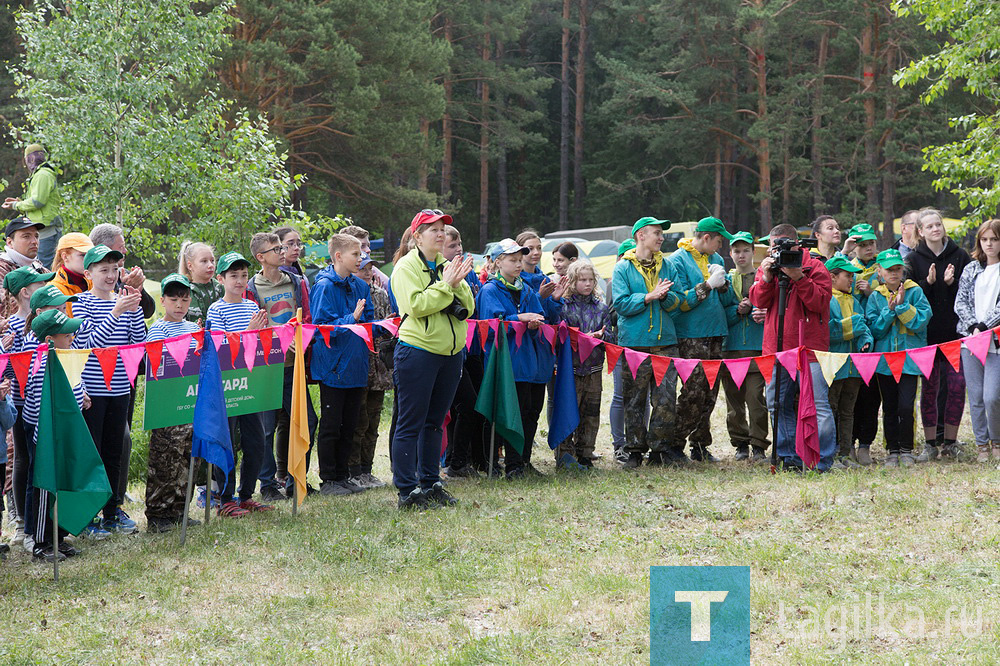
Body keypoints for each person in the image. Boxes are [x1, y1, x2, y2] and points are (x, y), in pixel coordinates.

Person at [392, 209, 474, 507]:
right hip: (418, 352)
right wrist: (446, 285)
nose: (440, 234)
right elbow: (414, 306)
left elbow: (469, 305)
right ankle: (407, 491)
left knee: (435, 423)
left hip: (450, 354)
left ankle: (430, 483)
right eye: (432, 229)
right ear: (417, 236)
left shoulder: (445, 264)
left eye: (442, 229)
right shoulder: (405, 268)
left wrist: (452, 281)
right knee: (410, 423)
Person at [749, 224, 837, 472]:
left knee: (819, 405)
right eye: (774, 246)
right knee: (777, 404)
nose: (779, 251)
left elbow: (821, 303)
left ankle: (823, 459)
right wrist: (766, 278)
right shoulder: (769, 267)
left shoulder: (816, 266)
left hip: (810, 349)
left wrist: (799, 277)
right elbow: (758, 301)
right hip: (776, 349)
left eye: (785, 245)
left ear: (798, 243)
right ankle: (789, 457)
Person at [75, 245, 146, 534]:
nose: (110, 275)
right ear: (88, 273)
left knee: (114, 451)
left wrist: (135, 309)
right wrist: (116, 312)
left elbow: (137, 342)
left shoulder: (124, 300)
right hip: (92, 391)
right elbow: (87, 344)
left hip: (120, 388)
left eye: (114, 269)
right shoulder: (80, 302)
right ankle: (88, 516)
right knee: (92, 452)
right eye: (103, 269)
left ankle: (112, 511)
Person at [477, 238, 560, 479]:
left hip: (531, 365)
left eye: (519, 260)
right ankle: (501, 465)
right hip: (506, 365)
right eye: (512, 260)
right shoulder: (490, 290)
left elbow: (540, 316)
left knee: (530, 412)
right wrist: (518, 318)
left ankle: (522, 462)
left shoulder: (525, 288)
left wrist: (535, 324)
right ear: (499, 262)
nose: (517, 264)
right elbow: (490, 327)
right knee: (507, 413)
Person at [244, 232, 314, 502]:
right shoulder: (252, 288)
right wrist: (281, 341)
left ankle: (296, 478)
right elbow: (254, 330)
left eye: (282, 247)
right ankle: (268, 483)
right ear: (261, 257)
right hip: (266, 367)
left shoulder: (296, 282)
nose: (282, 251)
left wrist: (301, 340)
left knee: (307, 420)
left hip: (292, 367)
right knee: (265, 428)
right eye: (276, 249)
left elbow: (307, 318)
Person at [205, 251, 273, 515]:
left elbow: (261, 347)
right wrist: (248, 333)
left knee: (256, 442)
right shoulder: (216, 309)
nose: (240, 280)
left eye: (244, 275)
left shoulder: (251, 308)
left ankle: (246, 495)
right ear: (221, 278)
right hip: (226, 388)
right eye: (233, 275)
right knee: (227, 443)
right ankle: (225, 499)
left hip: (250, 387)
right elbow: (219, 350)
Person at [612, 217, 684, 467]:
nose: (662, 237)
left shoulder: (669, 266)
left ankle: (658, 450)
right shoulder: (623, 268)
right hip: (635, 345)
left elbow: (678, 301)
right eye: (657, 233)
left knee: (665, 400)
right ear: (640, 235)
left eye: (662, 233)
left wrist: (664, 297)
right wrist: (649, 296)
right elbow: (620, 305)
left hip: (666, 344)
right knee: (634, 400)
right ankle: (634, 450)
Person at [905, 208, 971, 461]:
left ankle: (951, 442)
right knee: (930, 390)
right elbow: (908, 296)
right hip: (926, 337)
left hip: (955, 334)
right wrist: (928, 284)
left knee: (956, 387)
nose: (935, 229)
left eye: (938, 225)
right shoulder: (913, 259)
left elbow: (968, 296)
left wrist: (951, 283)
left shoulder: (960, 255)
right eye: (929, 226)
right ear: (920, 231)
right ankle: (931, 444)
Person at [310, 234, 373, 497]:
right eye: (355, 255)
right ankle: (328, 479)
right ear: (338, 256)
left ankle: (344, 475)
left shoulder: (360, 286)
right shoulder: (324, 286)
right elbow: (321, 328)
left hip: (357, 365)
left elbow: (368, 322)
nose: (361, 259)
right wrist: (351, 318)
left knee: (351, 423)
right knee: (332, 424)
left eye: (361, 255)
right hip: (333, 367)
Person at [668, 216, 735, 462]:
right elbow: (681, 303)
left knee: (710, 393)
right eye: (719, 241)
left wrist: (724, 285)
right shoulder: (677, 261)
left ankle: (699, 445)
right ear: (706, 238)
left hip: (717, 332)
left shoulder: (715, 259)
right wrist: (707, 285)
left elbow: (725, 301)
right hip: (692, 335)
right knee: (693, 392)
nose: (721, 247)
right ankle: (673, 445)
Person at [23, 310, 86, 562]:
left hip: (67, 435)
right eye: (66, 333)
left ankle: (58, 537)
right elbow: (42, 407)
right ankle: (41, 542)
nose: (72, 336)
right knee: (46, 489)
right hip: (49, 439)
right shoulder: (41, 365)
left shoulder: (66, 358)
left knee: (62, 488)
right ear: (49, 340)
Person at [0, 266, 54, 549]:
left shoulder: (42, 322)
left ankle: (37, 522)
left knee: (34, 461)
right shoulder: (10, 326)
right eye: (39, 285)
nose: (44, 287)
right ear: (25, 293)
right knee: (22, 459)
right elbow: (7, 368)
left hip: (36, 401)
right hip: (18, 402)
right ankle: (22, 522)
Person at [144, 274, 201, 532]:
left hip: (192, 404)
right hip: (168, 407)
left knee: (188, 460)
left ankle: (180, 509)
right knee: (164, 461)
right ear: (163, 300)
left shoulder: (193, 328)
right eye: (174, 299)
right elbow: (156, 366)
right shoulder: (158, 329)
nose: (180, 304)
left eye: (184, 299)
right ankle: (158, 514)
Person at [866, 248, 932, 468]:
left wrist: (902, 306)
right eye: (889, 270)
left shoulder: (915, 291)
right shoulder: (875, 296)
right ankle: (892, 451)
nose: (894, 273)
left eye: (897, 269)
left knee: (906, 406)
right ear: (880, 272)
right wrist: (889, 311)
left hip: (910, 361)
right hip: (885, 363)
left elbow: (921, 322)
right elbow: (875, 331)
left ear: (903, 271)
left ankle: (906, 449)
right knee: (889, 407)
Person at [441, 226, 487, 478]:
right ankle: (455, 462)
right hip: (450, 350)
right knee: (464, 406)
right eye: (452, 246)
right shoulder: (439, 273)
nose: (458, 249)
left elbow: (472, 309)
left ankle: (464, 459)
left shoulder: (467, 273)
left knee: (473, 406)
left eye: (460, 245)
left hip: (471, 349)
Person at [557, 260, 612, 469]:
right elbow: (558, 336)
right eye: (582, 280)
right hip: (570, 369)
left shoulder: (601, 307)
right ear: (572, 281)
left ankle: (586, 453)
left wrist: (602, 335)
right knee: (569, 409)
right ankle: (564, 453)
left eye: (590, 280)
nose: (587, 284)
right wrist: (578, 338)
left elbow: (611, 337)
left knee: (591, 412)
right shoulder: (564, 306)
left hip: (594, 368)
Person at [954, 219, 1000, 463]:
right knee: (977, 396)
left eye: (994, 239)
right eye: (985, 239)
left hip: (996, 341)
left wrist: (985, 326)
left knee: (993, 396)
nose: (989, 244)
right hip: (970, 341)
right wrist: (973, 325)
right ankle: (982, 444)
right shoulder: (972, 268)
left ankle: (997, 440)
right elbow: (960, 301)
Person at [721, 232, 769, 462]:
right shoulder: (725, 281)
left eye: (745, 250)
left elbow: (772, 308)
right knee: (734, 402)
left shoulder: (763, 279)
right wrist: (736, 311)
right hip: (730, 350)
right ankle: (740, 443)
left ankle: (758, 444)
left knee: (756, 399)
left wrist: (761, 311)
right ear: (730, 254)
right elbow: (720, 314)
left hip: (756, 349)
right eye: (736, 251)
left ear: (753, 252)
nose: (741, 255)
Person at [347, 253, 392, 490]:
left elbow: (387, 325)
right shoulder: (351, 292)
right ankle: (353, 470)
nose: (367, 272)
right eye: (363, 267)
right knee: (358, 420)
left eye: (370, 267)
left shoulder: (381, 294)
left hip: (380, 366)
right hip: (358, 364)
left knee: (374, 420)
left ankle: (367, 468)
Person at [826, 256, 873, 468]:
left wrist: (866, 342)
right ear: (832, 277)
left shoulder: (854, 301)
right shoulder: (827, 301)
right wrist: (855, 326)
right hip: (834, 367)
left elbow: (865, 329)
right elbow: (830, 332)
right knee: (831, 409)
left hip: (854, 367)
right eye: (847, 275)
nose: (852, 280)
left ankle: (844, 453)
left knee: (848, 411)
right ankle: (830, 453)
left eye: (853, 276)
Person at [848, 223, 882, 466]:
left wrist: (872, 293)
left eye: (871, 243)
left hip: (877, 341)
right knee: (850, 397)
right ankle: (847, 443)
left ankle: (866, 446)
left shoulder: (885, 267)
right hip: (851, 342)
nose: (868, 248)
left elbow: (894, 296)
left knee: (871, 397)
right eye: (863, 245)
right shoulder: (847, 268)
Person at [3, 144, 61, 269]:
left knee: (44, 267)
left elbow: (38, 202)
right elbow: (36, 200)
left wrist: (15, 205)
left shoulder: (42, 175)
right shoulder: (40, 174)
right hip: (42, 227)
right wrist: (20, 203)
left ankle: (46, 289)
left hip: (46, 228)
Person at [0, 217, 49, 315]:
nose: (34, 241)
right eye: (26, 236)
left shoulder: (39, 268)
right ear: (10, 242)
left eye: (36, 236)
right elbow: (4, 306)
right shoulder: (2, 269)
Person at [178, 241, 225, 324]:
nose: (210, 265)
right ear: (190, 265)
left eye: (212, 260)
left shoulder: (221, 287)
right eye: (204, 261)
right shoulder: (183, 291)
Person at [49, 232, 94, 316]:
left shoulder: (96, 281)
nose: (88, 260)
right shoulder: (53, 289)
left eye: (90, 255)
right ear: (65, 257)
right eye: (83, 255)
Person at [339, 224, 390, 290]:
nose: (368, 250)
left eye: (368, 245)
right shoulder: (332, 281)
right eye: (362, 246)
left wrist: (376, 294)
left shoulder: (374, 272)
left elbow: (391, 289)